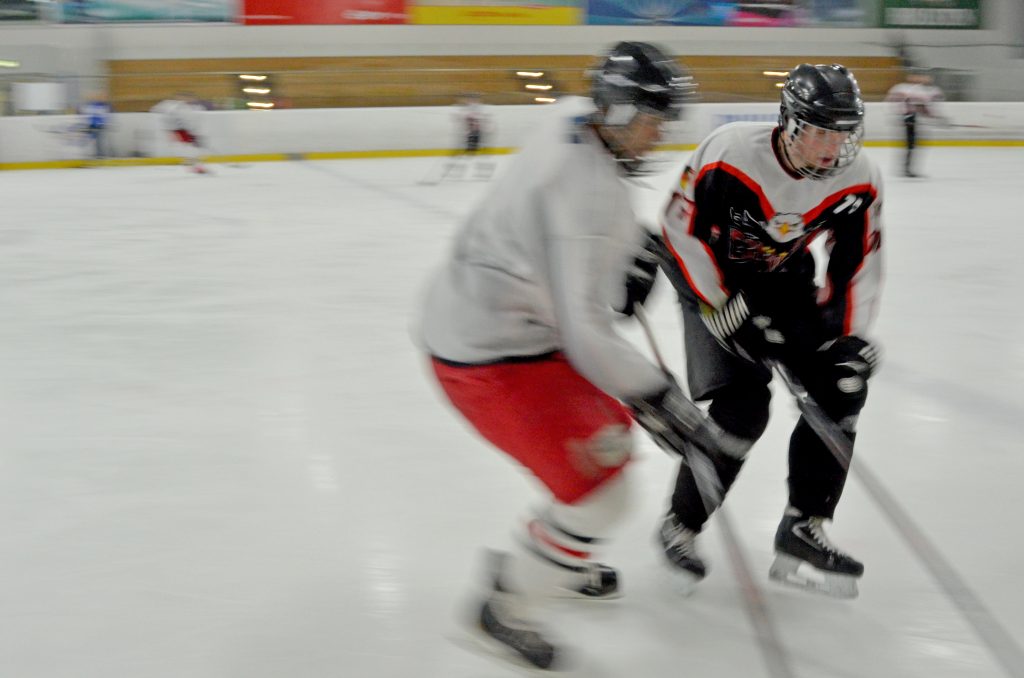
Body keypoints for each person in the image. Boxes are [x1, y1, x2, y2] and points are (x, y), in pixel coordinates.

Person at [418, 42, 702, 670]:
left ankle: (550, 556)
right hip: (488, 355)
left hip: (503, 329)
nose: (659, 136)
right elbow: (587, 332)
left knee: (606, 445)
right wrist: (661, 395)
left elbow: (582, 238)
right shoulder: (578, 185)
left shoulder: (579, 121)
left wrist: (632, 248)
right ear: (621, 110)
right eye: (653, 120)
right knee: (605, 494)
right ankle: (506, 608)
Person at [653, 63, 884, 600]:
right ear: (789, 122)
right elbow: (678, 232)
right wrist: (720, 307)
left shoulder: (858, 178)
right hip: (711, 280)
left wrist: (849, 336)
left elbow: (857, 262)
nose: (832, 149)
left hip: (783, 284)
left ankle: (805, 527)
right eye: (820, 131)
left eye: (842, 133)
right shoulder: (729, 153)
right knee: (742, 409)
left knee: (842, 388)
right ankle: (680, 524)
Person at [886, 71, 946, 177]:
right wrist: (934, 116)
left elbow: (919, 107)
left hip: (909, 119)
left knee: (912, 145)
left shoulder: (905, 88)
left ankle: (907, 168)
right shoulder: (914, 89)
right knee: (911, 145)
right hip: (909, 119)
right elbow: (920, 107)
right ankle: (907, 169)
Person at [151, 92, 210, 174]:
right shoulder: (173, 105)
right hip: (179, 130)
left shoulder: (176, 106)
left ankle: (194, 165)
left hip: (178, 130)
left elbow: (155, 110)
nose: (188, 100)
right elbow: (156, 110)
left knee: (191, 148)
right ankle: (196, 166)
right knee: (192, 148)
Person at [79, 93, 112, 159]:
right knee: (91, 140)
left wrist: (101, 124)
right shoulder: (90, 105)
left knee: (99, 141)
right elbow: (84, 114)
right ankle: (90, 154)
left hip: (98, 125)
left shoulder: (102, 106)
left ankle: (99, 154)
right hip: (91, 125)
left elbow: (103, 116)